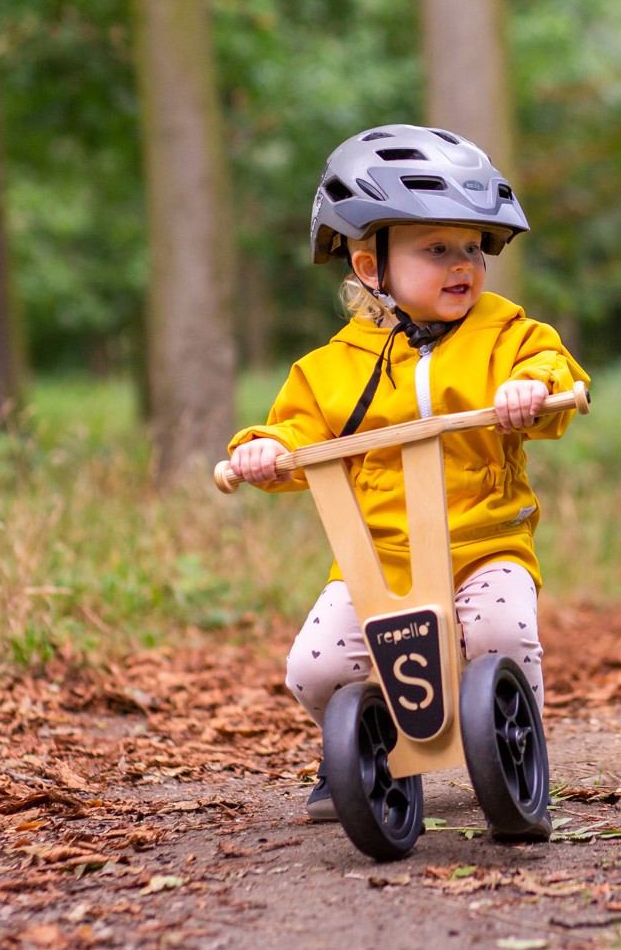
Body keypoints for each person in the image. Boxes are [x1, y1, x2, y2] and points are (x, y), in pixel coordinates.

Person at [226, 124, 590, 820]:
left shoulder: (507, 334)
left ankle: (516, 750)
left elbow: (552, 374)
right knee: (315, 670)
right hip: (379, 561)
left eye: (473, 247)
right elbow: (297, 428)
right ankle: (368, 752)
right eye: (436, 249)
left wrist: (530, 391)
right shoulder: (335, 365)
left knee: (502, 634)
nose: (464, 264)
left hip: (485, 547)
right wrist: (262, 450)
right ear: (371, 268)